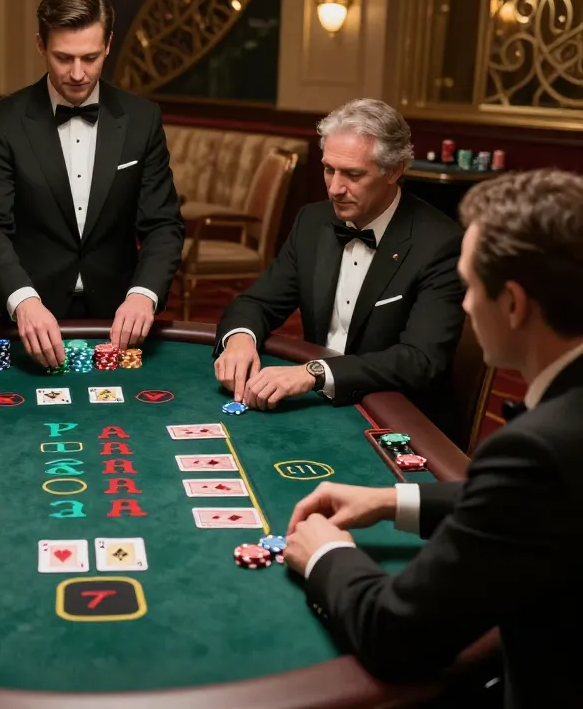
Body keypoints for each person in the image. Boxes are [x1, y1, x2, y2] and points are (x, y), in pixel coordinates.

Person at [284, 168, 583, 708]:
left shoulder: (536, 450)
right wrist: (393, 498)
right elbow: (543, 501)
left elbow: (397, 636)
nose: (464, 307)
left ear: (513, 304)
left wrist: (328, 555)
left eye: (470, 287)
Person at [213, 99, 464, 435]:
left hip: (394, 418)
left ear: (395, 169)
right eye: (329, 169)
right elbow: (256, 303)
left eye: (353, 174)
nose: (334, 188)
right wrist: (240, 339)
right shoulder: (312, 222)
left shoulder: (440, 244)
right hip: (314, 409)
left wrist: (314, 372)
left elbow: (419, 361)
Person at [0, 0, 184, 367]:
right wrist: (23, 300)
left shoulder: (142, 119)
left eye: (91, 57)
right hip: (29, 320)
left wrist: (143, 294)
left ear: (109, 44)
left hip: (118, 319)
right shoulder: (1, 122)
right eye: (63, 58)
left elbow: (163, 224)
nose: (78, 74)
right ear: (40, 45)